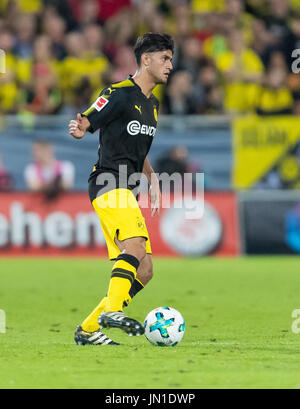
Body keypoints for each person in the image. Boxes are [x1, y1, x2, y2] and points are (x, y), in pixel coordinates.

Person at [69, 32, 174, 346]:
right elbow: (87, 120)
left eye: (171, 58)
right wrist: (79, 128)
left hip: (127, 190)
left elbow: (137, 151)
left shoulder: (152, 105)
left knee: (144, 270)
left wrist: (152, 178)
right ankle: (112, 312)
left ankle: (89, 329)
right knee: (136, 248)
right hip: (107, 182)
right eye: (165, 58)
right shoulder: (118, 93)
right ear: (146, 59)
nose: (171, 65)